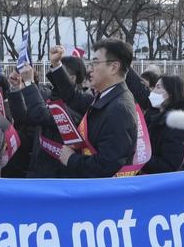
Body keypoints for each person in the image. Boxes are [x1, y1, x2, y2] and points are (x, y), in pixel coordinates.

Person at [57, 39, 137, 178]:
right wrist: (56, 66)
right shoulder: (108, 96)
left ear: (113, 67)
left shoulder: (119, 109)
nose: (89, 69)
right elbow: (73, 97)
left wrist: (71, 159)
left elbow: (107, 166)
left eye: (95, 62)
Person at [141, 75, 184, 174]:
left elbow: (168, 166)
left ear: (170, 93)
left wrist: (140, 158)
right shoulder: (154, 115)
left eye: (158, 88)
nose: (153, 91)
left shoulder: (175, 125)